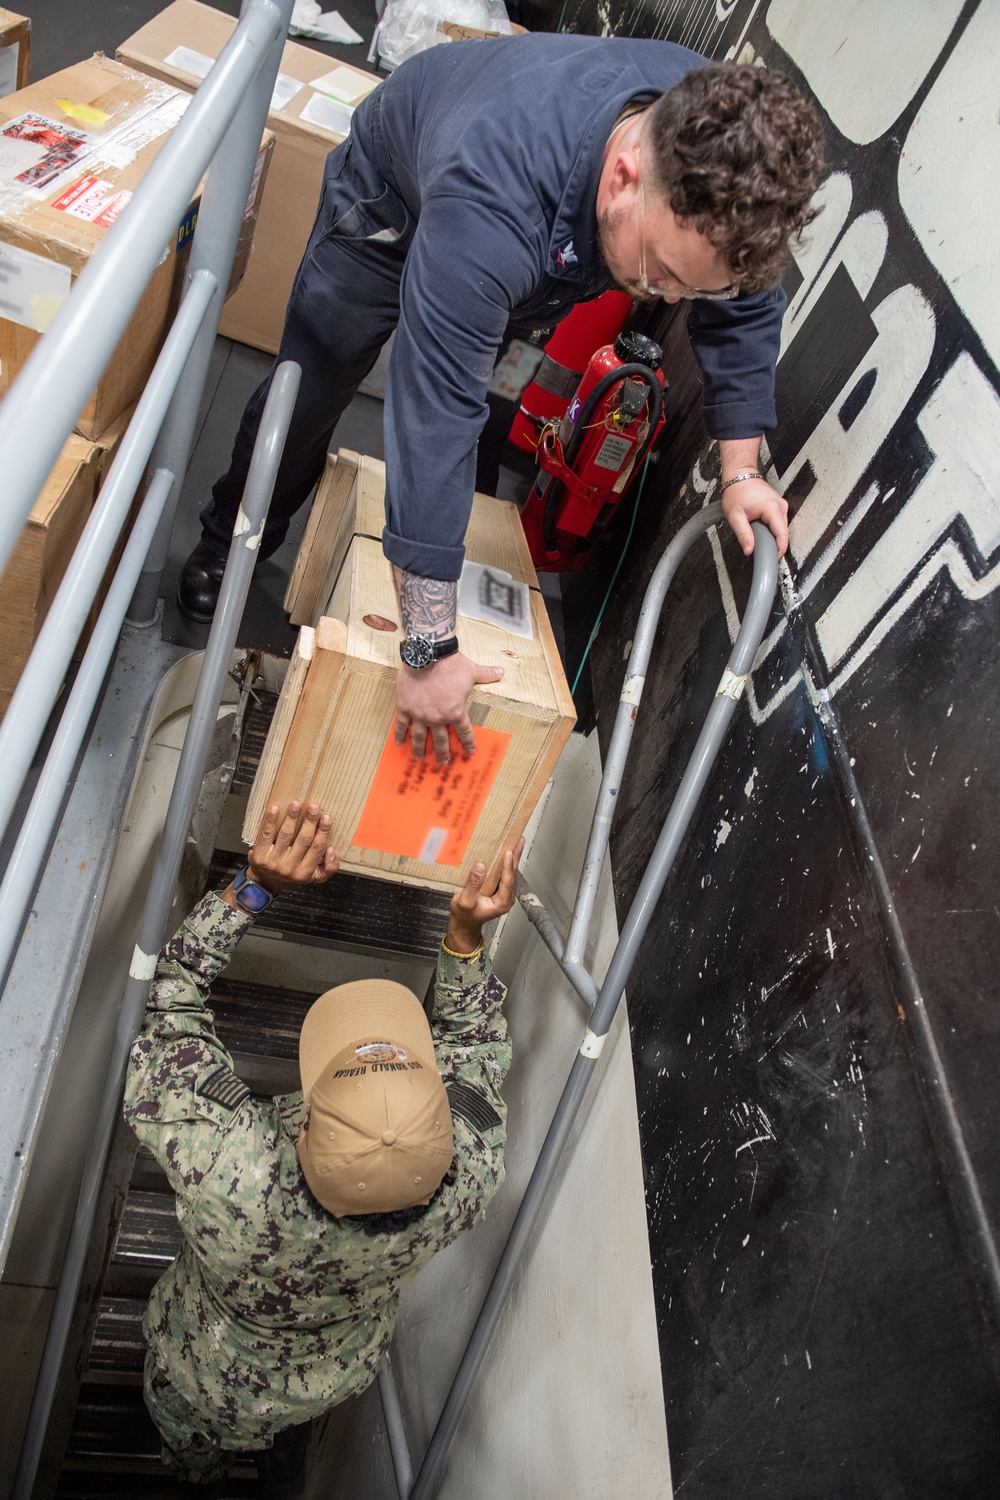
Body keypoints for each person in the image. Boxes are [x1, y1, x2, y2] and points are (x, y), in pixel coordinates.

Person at [179, 36, 823, 764]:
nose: (665, 297)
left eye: (688, 290)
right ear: (623, 175)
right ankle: (226, 534)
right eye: (663, 272)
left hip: (529, 243)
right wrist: (424, 651)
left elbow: (740, 308)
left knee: (490, 419)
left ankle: (455, 590)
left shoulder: (712, 150)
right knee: (318, 379)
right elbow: (431, 414)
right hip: (394, 196)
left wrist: (740, 471)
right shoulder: (496, 197)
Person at [124, 800, 523, 1495]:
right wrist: (464, 936)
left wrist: (259, 887)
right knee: (276, 1427)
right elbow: (479, 1046)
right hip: (328, 1376)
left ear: (302, 1127)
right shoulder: (471, 1176)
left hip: (205, 1374)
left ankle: (197, 1471)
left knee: (189, 1441)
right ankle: (269, 1452)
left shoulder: (233, 1172)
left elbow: (168, 1001)